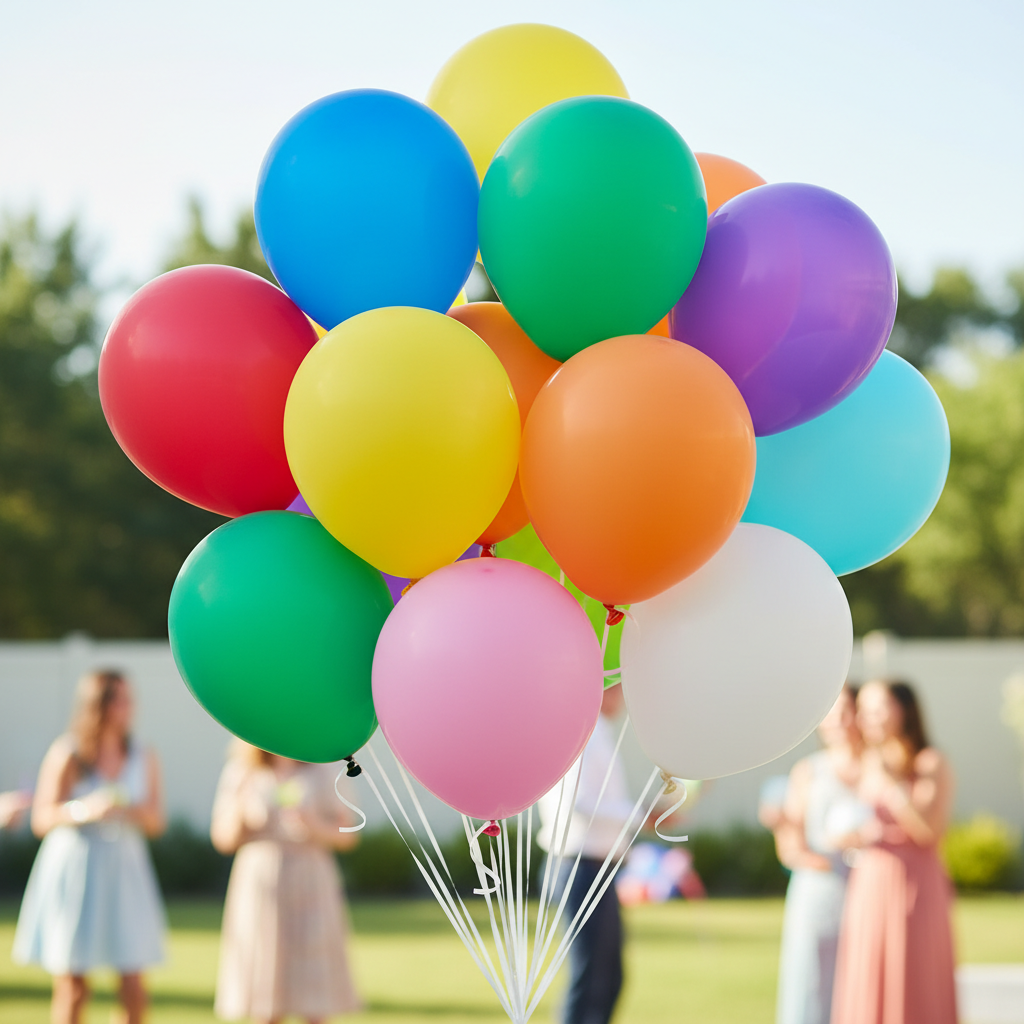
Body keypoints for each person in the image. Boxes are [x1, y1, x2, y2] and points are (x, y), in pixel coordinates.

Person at [13, 669, 167, 1024]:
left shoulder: (143, 754)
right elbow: (41, 819)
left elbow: (156, 821)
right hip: (77, 868)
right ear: (98, 704)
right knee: (74, 984)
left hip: (126, 870)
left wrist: (125, 810)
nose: (129, 707)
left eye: (129, 699)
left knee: (133, 984)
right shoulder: (67, 752)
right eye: (120, 699)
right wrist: (83, 810)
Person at [831, 679, 958, 1024]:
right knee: (870, 970)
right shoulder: (867, 761)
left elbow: (928, 831)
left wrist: (893, 784)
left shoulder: (930, 763)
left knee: (915, 971)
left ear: (904, 710)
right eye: (863, 710)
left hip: (914, 884)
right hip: (871, 882)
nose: (866, 718)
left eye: (877, 708)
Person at [210, 742, 362, 1024]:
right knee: (265, 991)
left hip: (311, 879)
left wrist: (313, 826)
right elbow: (223, 838)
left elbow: (348, 835)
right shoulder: (243, 770)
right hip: (261, 883)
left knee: (315, 991)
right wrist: (243, 814)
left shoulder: (324, 767)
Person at [765, 685, 867, 1024]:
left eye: (846, 711)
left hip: (871, 891)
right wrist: (819, 860)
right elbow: (791, 845)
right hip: (819, 892)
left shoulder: (879, 766)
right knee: (812, 986)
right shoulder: (808, 771)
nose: (838, 721)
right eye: (830, 713)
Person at [538, 682, 635, 1024]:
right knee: (589, 978)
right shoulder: (579, 736)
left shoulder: (599, 734)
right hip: (578, 866)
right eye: (617, 687)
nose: (623, 697)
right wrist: (641, 813)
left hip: (598, 868)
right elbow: (577, 803)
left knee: (608, 978)